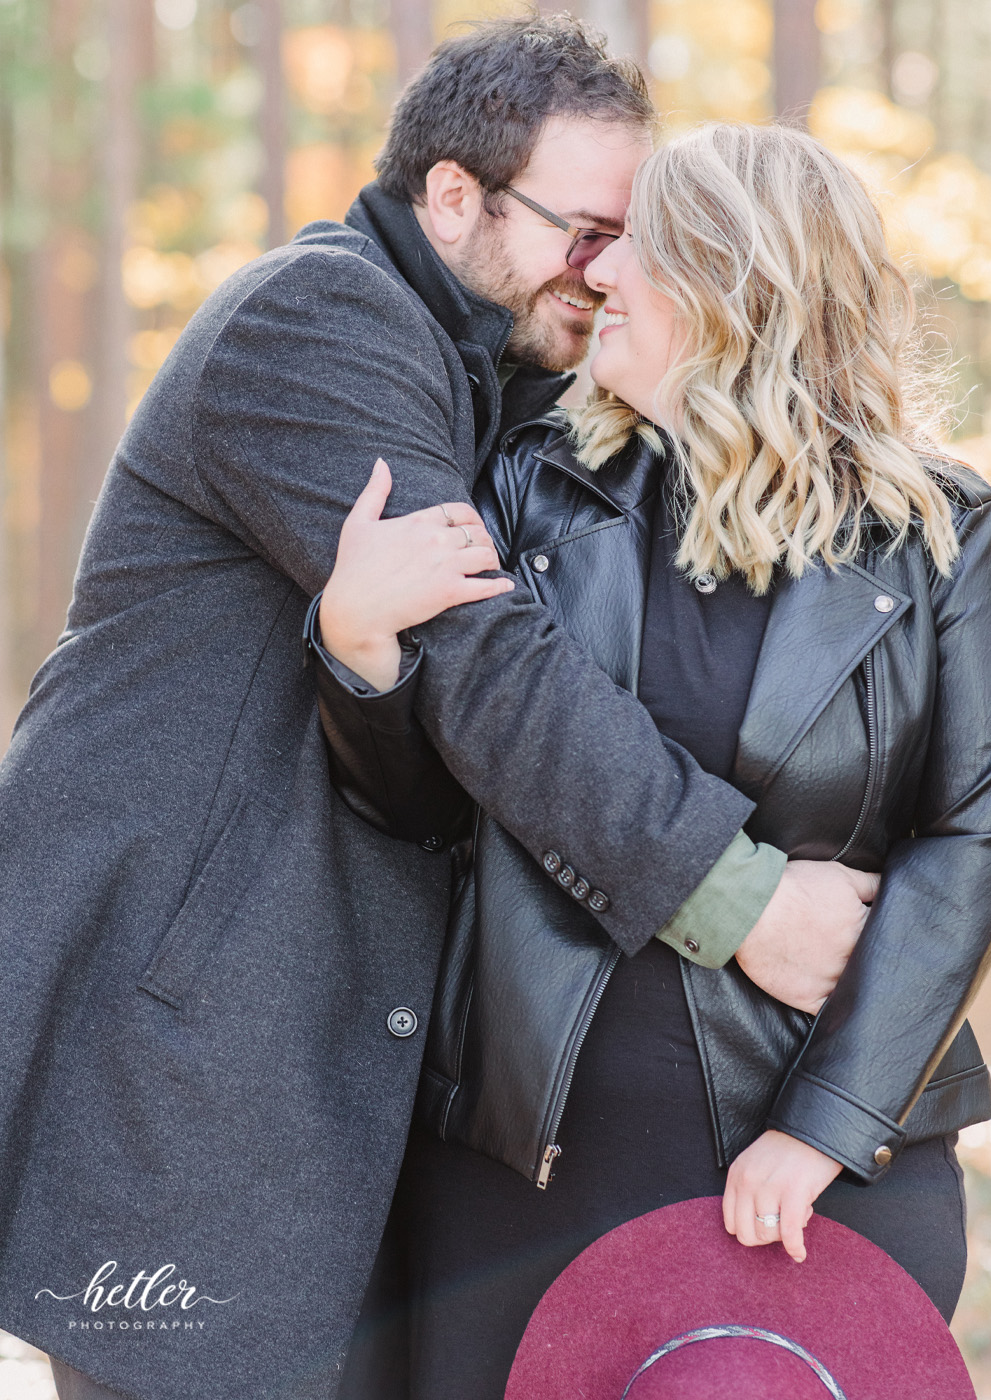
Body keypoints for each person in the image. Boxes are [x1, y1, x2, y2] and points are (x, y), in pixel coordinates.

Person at [0, 18, 869, 1400]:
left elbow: (417, 727)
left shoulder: (496, 377)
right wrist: (735, 895)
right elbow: (491, 661)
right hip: (183, 1028)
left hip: (319, 1042)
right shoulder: (319, 323)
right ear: (453, 196)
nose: (608, 270)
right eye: (581, 229)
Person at [310, 122, 991, 1399]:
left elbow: (980, 830)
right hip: (529, 1154)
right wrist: (363, 654)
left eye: (635, 242)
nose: (598, 272)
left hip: (825, 1163)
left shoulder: (935, 530)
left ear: (730, 284)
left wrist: (825, 1128)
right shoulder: (525, 484)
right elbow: (427, 804)